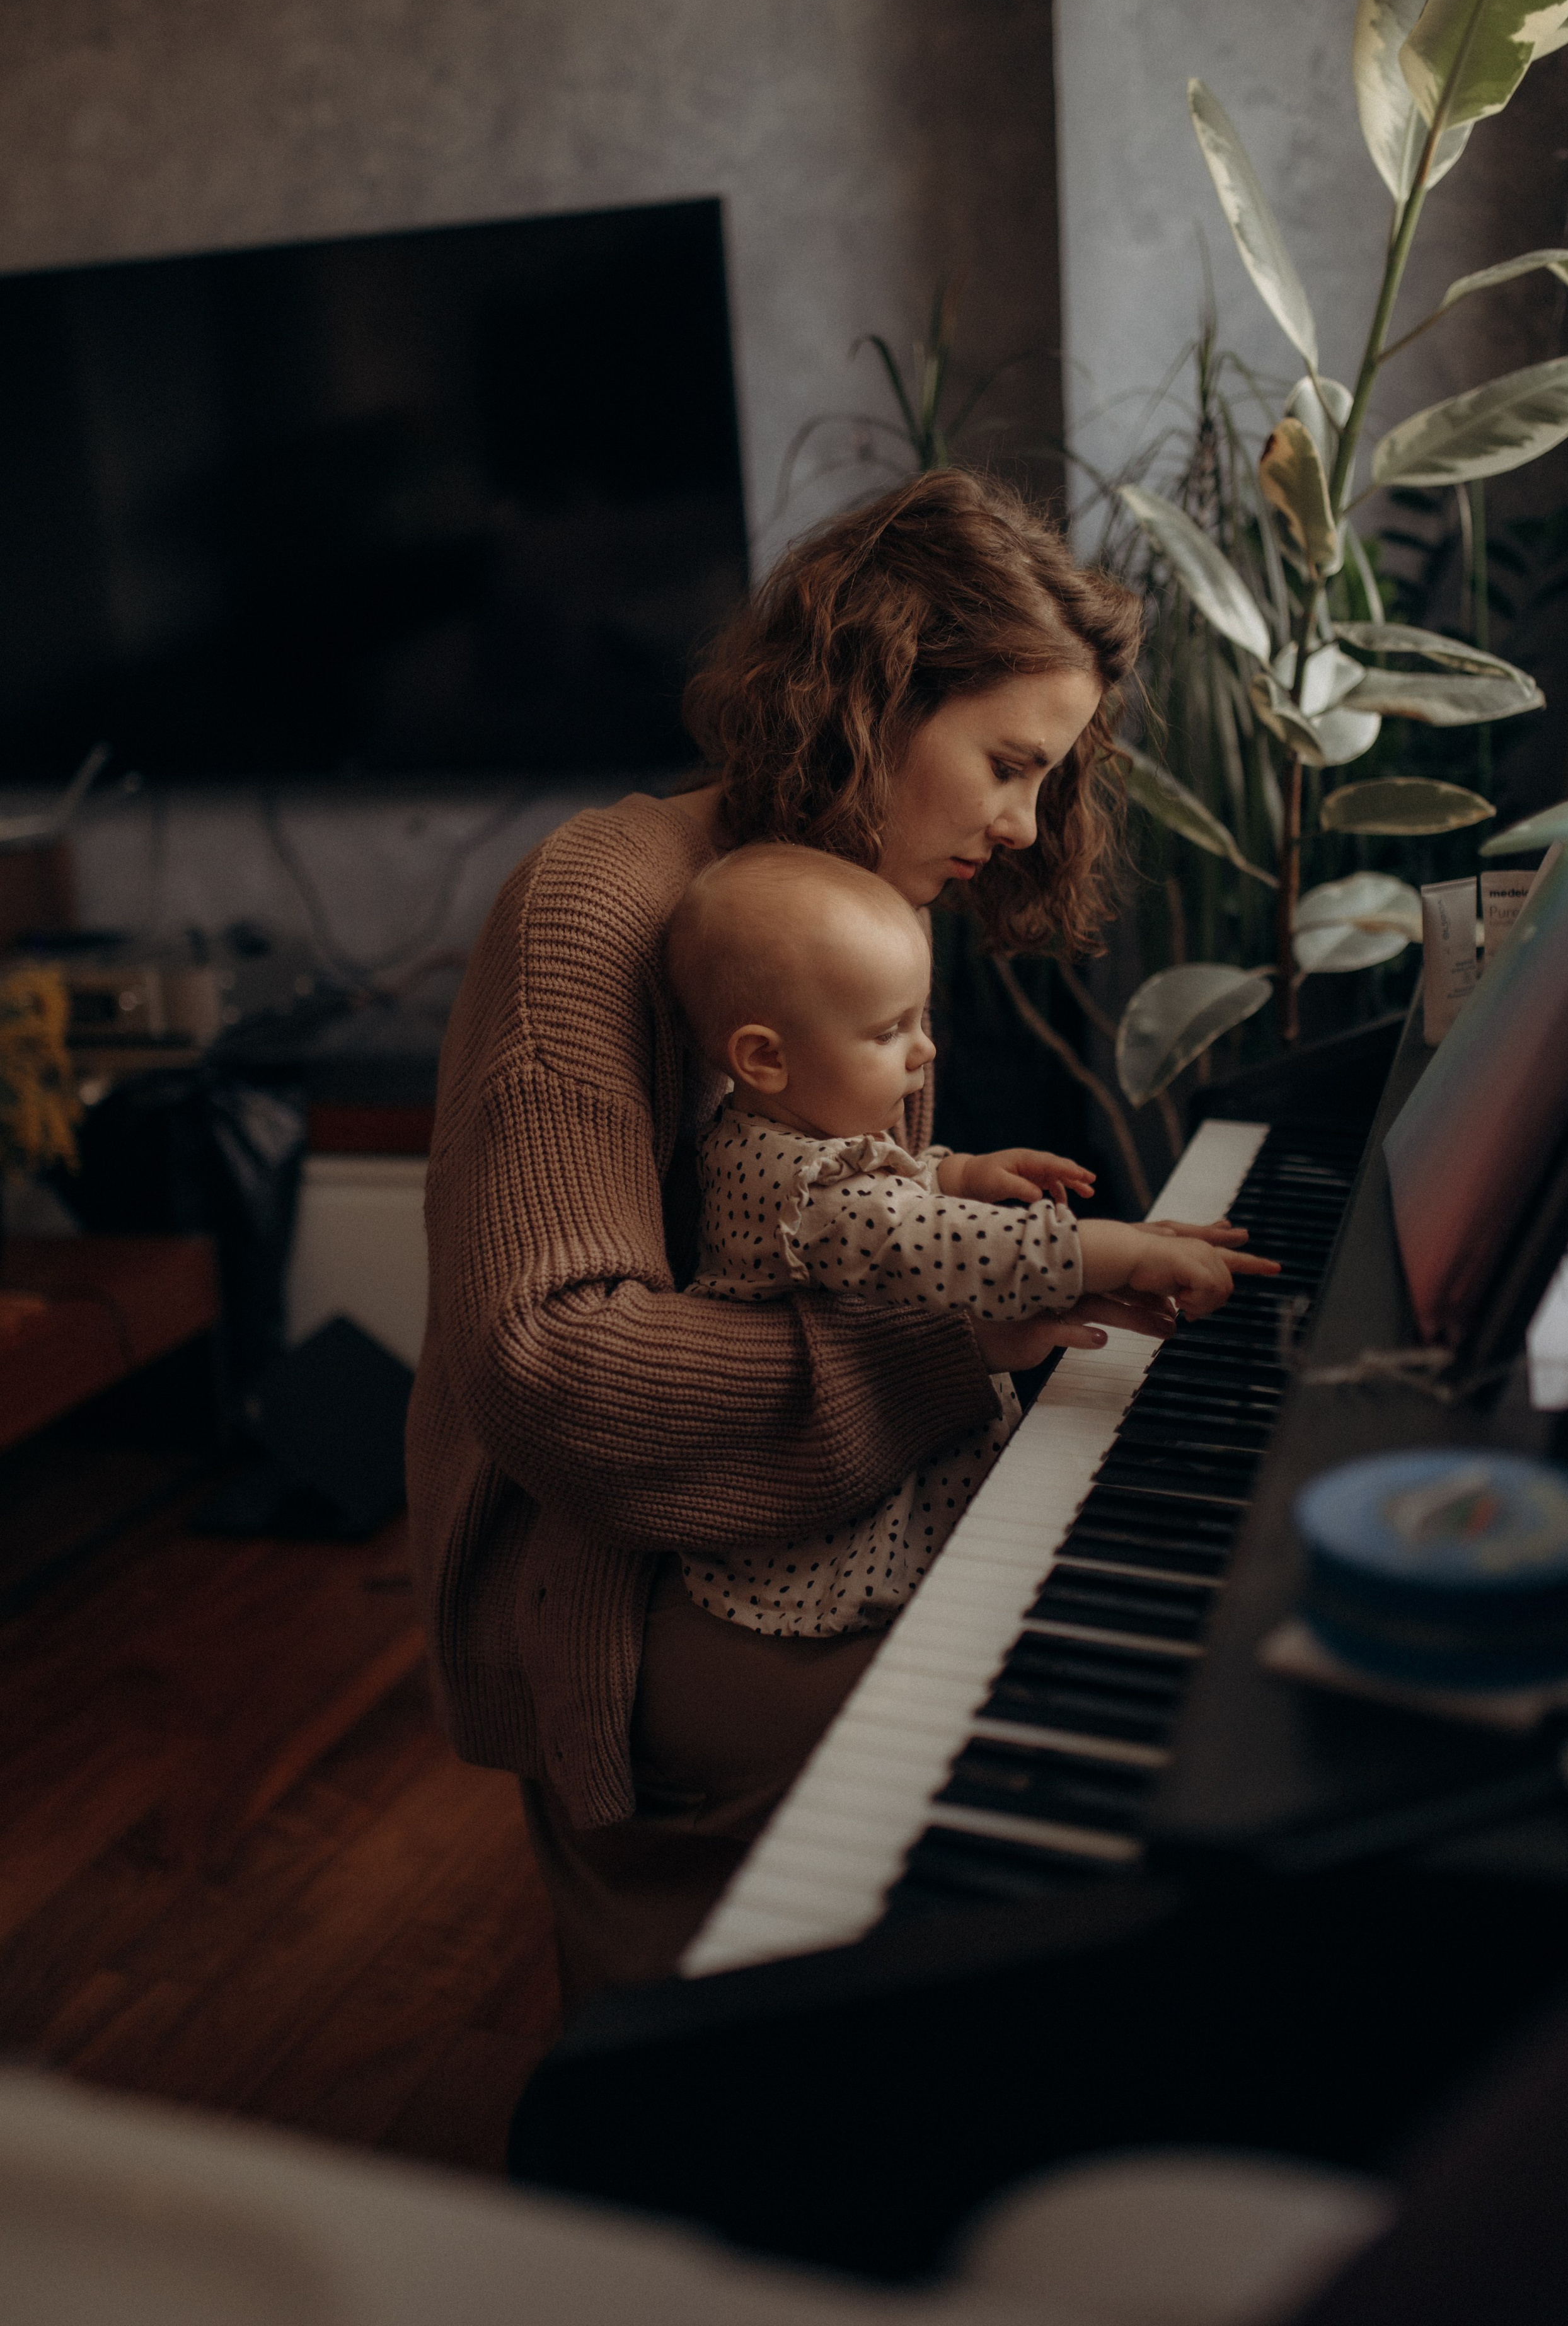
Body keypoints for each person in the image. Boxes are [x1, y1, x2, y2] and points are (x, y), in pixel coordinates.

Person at [405, 467, 1247, 2009]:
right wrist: (962, 1337)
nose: (1022, 820)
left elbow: (821, 1224)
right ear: (874, 696)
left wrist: (969, 1232)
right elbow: (550, 1362)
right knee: (1072, 1747)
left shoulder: (835, 895)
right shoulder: (593, 909)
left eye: (1047, 780)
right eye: (1006, 764)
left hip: (810, 1514)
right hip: (630, 1583)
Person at [663, 841, 1274, 1638]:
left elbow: (889, 1197)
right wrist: (1113, 1250)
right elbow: (920, 1240)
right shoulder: (805, 1194)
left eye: (922, 1018)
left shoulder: (779, 1142)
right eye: (889, 1032)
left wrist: (958, 1174)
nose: (926, 1050)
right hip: (840, 1548)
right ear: (764, 1059)